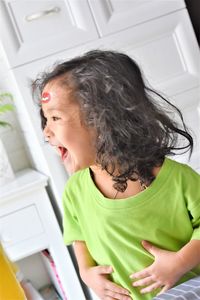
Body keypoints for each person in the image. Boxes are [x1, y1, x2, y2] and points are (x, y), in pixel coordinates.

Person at [32, 50, 200, 300]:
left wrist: (179, 262)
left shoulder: (178, 179)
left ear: (104, 122)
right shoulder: (75, 190)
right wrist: (87, 272)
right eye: (46, 119)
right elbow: (81, 238)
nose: (46, 132)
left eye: (55, 118)